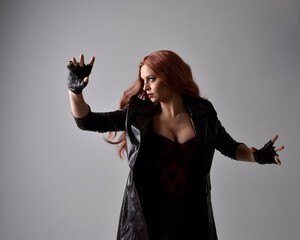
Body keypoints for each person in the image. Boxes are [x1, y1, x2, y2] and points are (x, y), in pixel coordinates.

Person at [67, 50, 284, 240]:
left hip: (191, 220)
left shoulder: (203, 113)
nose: (145, 87)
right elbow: (87, 121)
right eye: (143, 81)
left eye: (151, 79)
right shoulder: (137, 115)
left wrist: (256, 156)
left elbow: (229, 146)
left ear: (170, 77)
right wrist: (75, 92)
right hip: (145, 222)